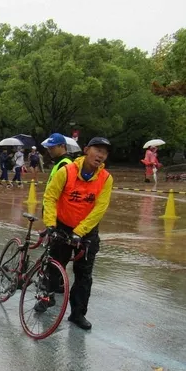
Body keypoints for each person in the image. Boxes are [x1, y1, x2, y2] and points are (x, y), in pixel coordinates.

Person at [38, 137, 114, 331]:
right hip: (62, 225)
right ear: (86, 150)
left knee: (84, 275)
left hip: (87, 232)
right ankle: (46, 298)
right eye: (97, 150)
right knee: (54, 267)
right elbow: (51, 196)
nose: (100, 155)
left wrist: (80, 232)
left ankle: (78, 314)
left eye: (104, 152)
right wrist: (50, 224)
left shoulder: (105, 178)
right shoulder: (67, 171)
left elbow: (100, 208)